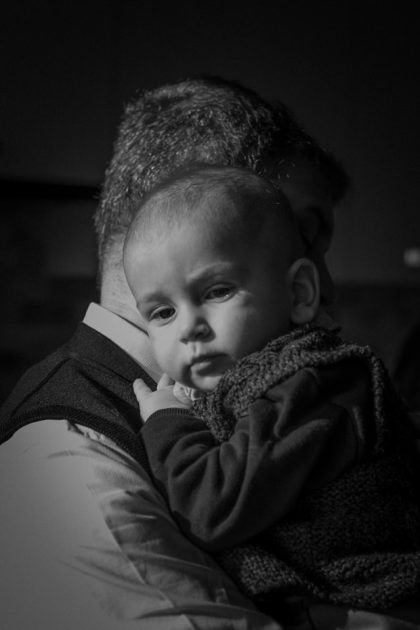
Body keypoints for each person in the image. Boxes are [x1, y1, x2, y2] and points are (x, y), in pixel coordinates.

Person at [0, 75, 349, 629]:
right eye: (301, 236)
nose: (322, 287)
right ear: (183, 203)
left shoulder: (264, 395)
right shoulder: (69, 466)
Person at [125, 164, 420, 628]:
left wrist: (166, 422)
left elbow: (213, 508)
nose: (188, 328)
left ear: (299, 292)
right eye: (161, 312)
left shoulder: (311, 382)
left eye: (217, 290)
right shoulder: (247, 383)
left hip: (376, 608)